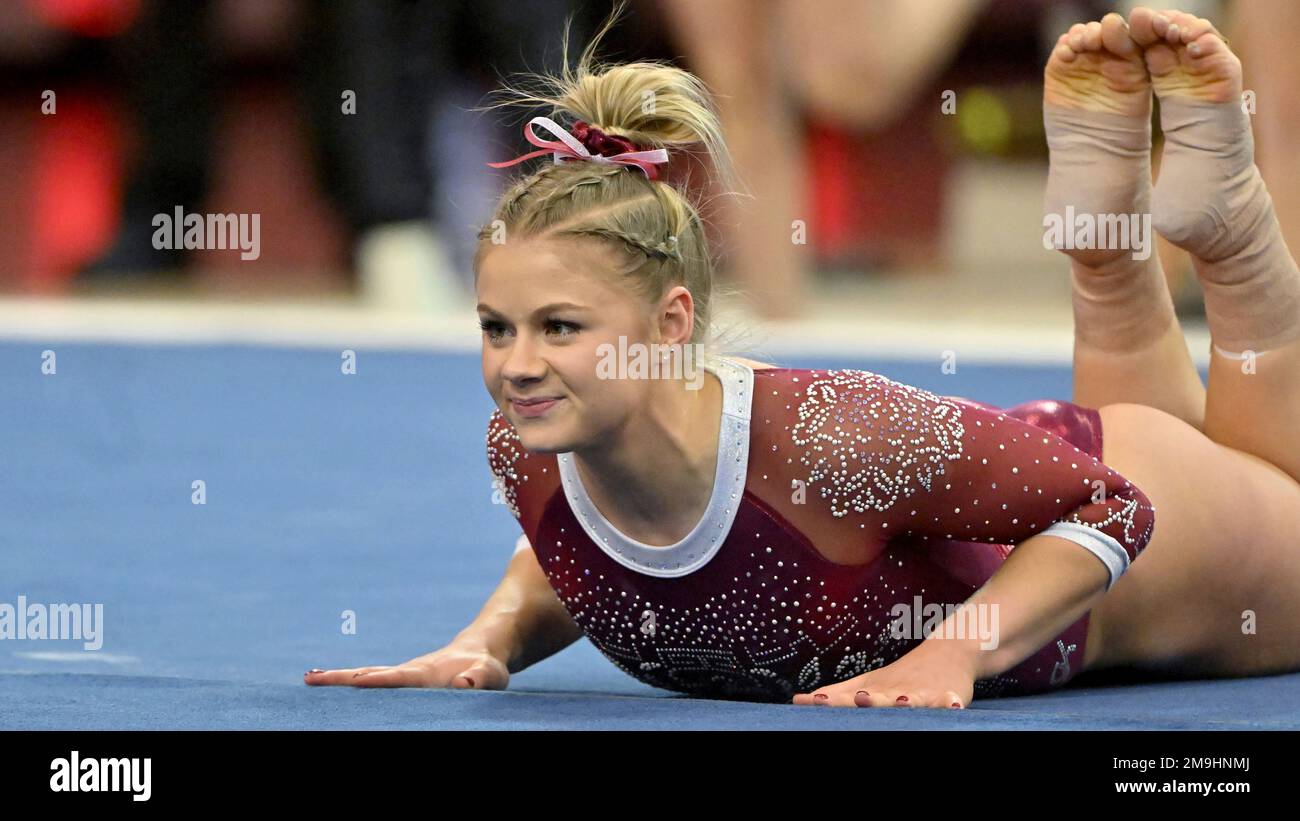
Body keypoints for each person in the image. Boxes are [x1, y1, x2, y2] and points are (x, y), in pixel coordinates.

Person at [306, 5, 1300, 708]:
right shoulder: (530, 446)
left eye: (559, 327)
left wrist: (956, 654)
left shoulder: (821, 432)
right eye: (495, 327)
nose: (517, 363)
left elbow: (1113, 501)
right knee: (1194, 448)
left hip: (1136, 543)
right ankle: (1109, 246)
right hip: (1015, 486)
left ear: (669, 324)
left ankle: (1231, 230)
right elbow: (571, 547)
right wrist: (489, 639)